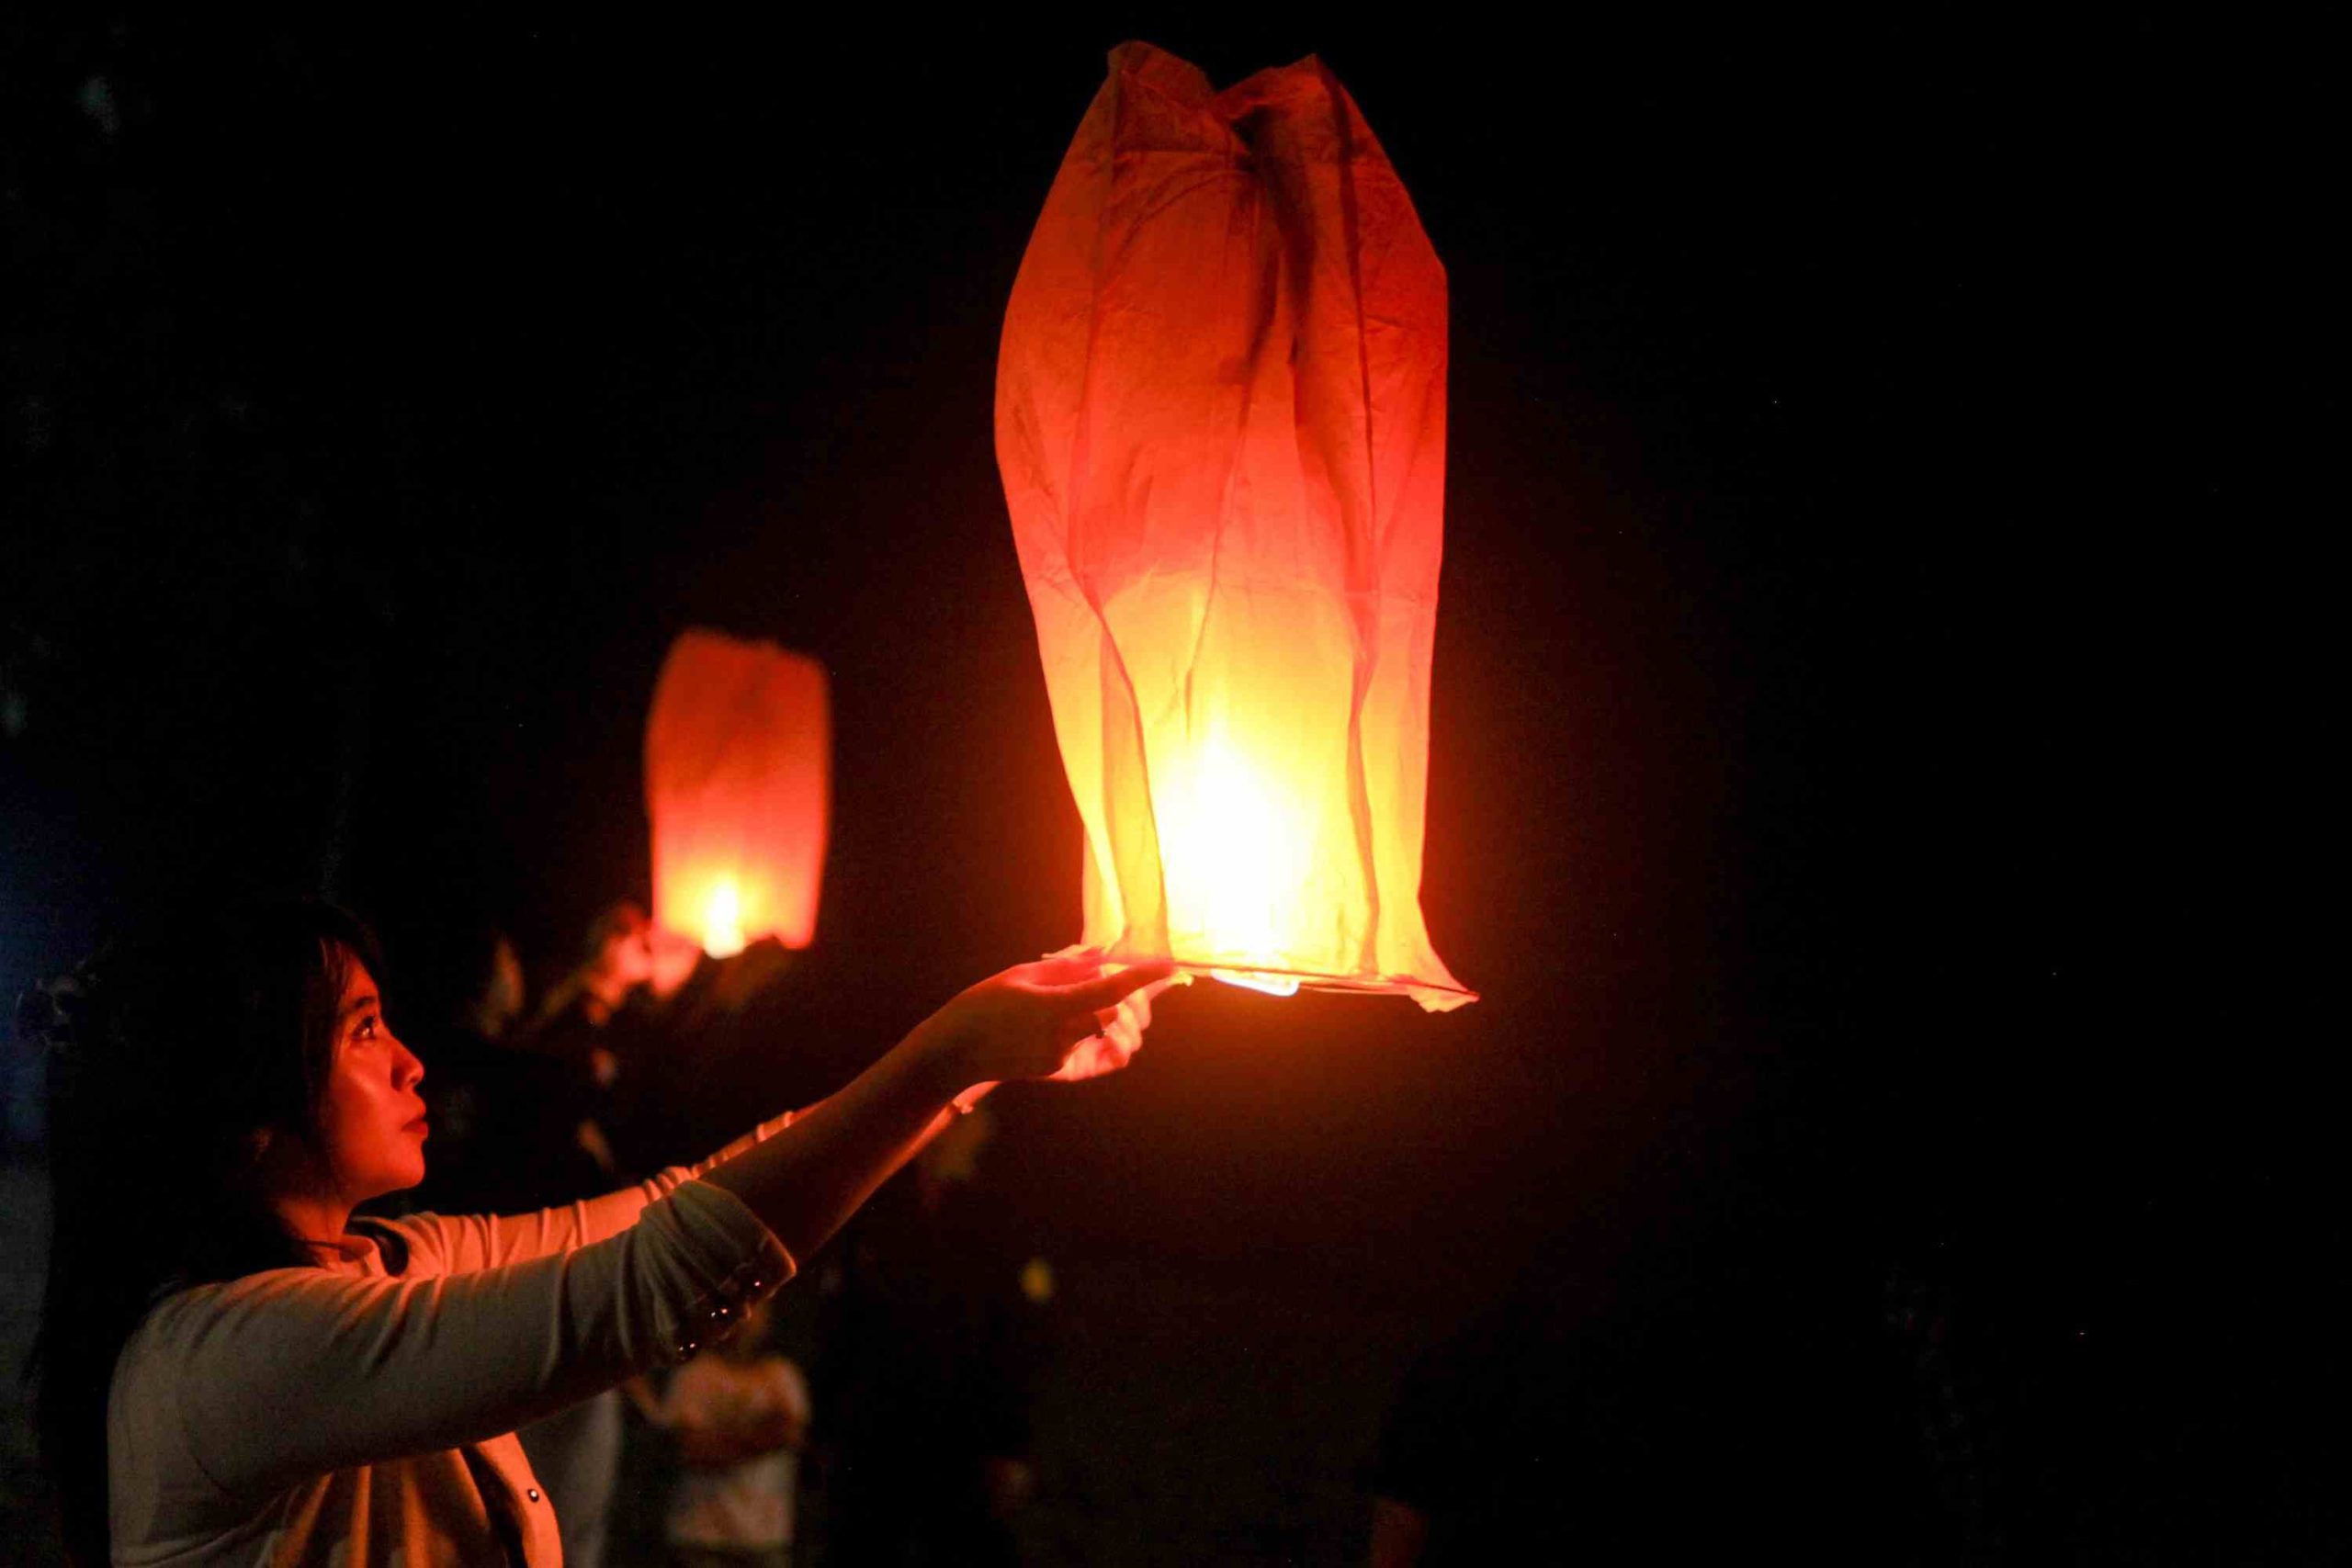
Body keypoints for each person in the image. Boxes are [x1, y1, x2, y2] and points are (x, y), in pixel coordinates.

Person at [30, 898, 1170, 1566]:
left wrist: (964, 1075)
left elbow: (675, 1203)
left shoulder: (392, 1262)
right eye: (363, 1032)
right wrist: (946, 1057)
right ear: (246, 1118)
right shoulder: (226, 1359)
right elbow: (657, 1284)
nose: (412, 1061)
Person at [651, 1297, 810, 1568]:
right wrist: (762, 1434)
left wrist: (725, 1438)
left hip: (764, 1539)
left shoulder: (782, 1375)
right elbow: (694, 1450)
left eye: (757, 1308)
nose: (746, 1319)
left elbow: (790, 1433)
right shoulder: (696, 1375)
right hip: (703, 1537)